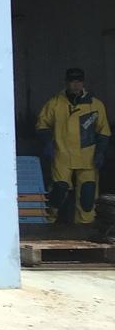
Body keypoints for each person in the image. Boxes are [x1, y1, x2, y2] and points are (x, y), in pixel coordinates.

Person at [35, 67, 111, 225]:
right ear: (66, 82)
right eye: (72, 81)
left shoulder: (95, 105)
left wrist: (100, 152)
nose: (76, 85)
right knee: (59, 190)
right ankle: (48, 222)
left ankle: (85, 228)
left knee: (87, 195)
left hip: (88, 158)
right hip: (62, 154)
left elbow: (104, 131)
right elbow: (42, 125)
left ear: (83, 82)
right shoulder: (55, 103)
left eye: (79, 81)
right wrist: (48, 143)